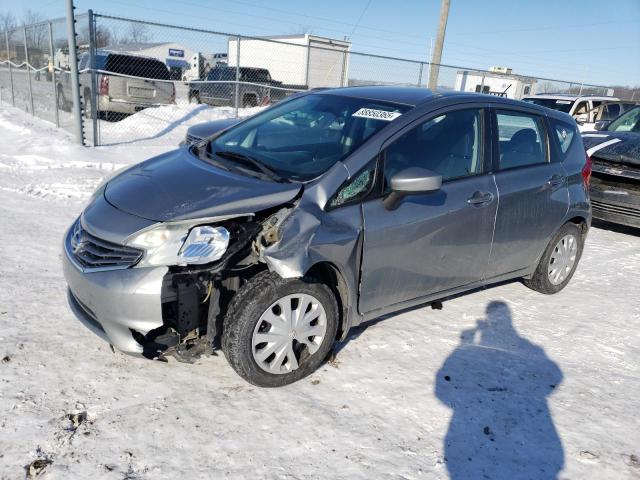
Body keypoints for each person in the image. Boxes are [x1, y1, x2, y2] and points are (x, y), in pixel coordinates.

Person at [435, 301, 564, 479]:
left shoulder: (525, 348)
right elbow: (555, 375)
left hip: (490, 437)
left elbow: (441, 391)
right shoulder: (527, 347)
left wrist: (465, 343)